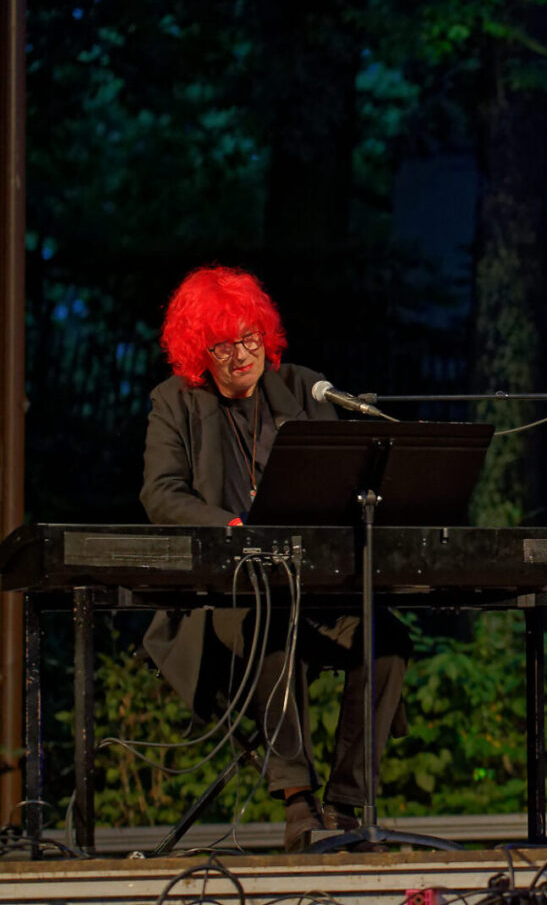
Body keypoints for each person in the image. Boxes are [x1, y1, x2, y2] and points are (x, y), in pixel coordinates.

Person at [140, 265, 411, 851]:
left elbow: (349, 484)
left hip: (314, 587)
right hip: (229, 593)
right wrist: (229, 525)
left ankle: (346, 802)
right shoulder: (176, 403)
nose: (241, 355)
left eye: (250, 338)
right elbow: (161, 493)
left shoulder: (305, 389)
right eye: (223, 345)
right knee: (270, 631)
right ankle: (298, 801)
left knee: (387, 641)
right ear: (198, 351)